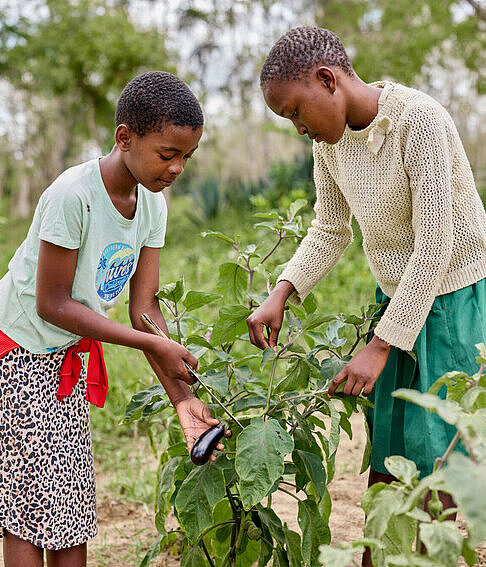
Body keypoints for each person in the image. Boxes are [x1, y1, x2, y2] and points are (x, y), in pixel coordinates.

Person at [246, 26, 486, 565]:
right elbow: (330, 227)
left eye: (295, 113)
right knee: (390, 450)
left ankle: (434, 557)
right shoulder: (331, 145)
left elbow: (436, 245)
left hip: (453, 299)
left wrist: (379, 346)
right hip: (397, 302)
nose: (299, 128)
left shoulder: (418, 120)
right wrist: (282, 291)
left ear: (328, 80)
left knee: (435, 461)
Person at [0, 71, 229, 567]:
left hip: (64, 354)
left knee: (71, 505)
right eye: (167, 154)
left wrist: (184, 402)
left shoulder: (152, 205)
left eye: (186, 158)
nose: (176, 169)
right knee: (26, 509)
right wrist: (152, 346)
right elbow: (51, 303)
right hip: (18, 353)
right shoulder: (72, 196)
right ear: (124, 137)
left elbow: (144, 311)